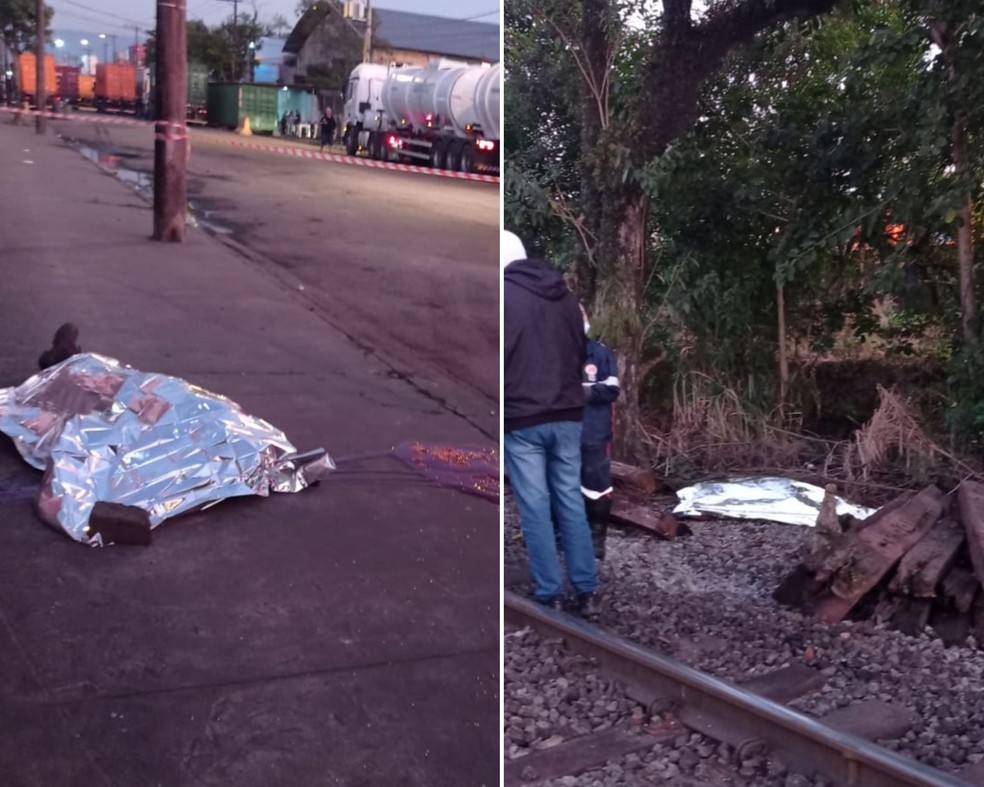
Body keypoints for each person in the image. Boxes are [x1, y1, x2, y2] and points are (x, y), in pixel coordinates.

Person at [503, 231, 600, 618]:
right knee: (570, 501)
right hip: (569, 416)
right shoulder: (568, 299)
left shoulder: (506, 298)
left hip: (524, 418)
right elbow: (582, 349)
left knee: (535, 506)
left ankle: (548, 591)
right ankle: (586, 589)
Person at [578, 304, 620, 560]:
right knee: (562, 484)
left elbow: (612, 389)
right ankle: (562, 534)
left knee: (597, 485)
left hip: (594, 431)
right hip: (564, 433)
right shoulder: (553, 353)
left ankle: (597, 540)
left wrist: (582, 391)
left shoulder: (600, 354)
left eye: (580, 316)